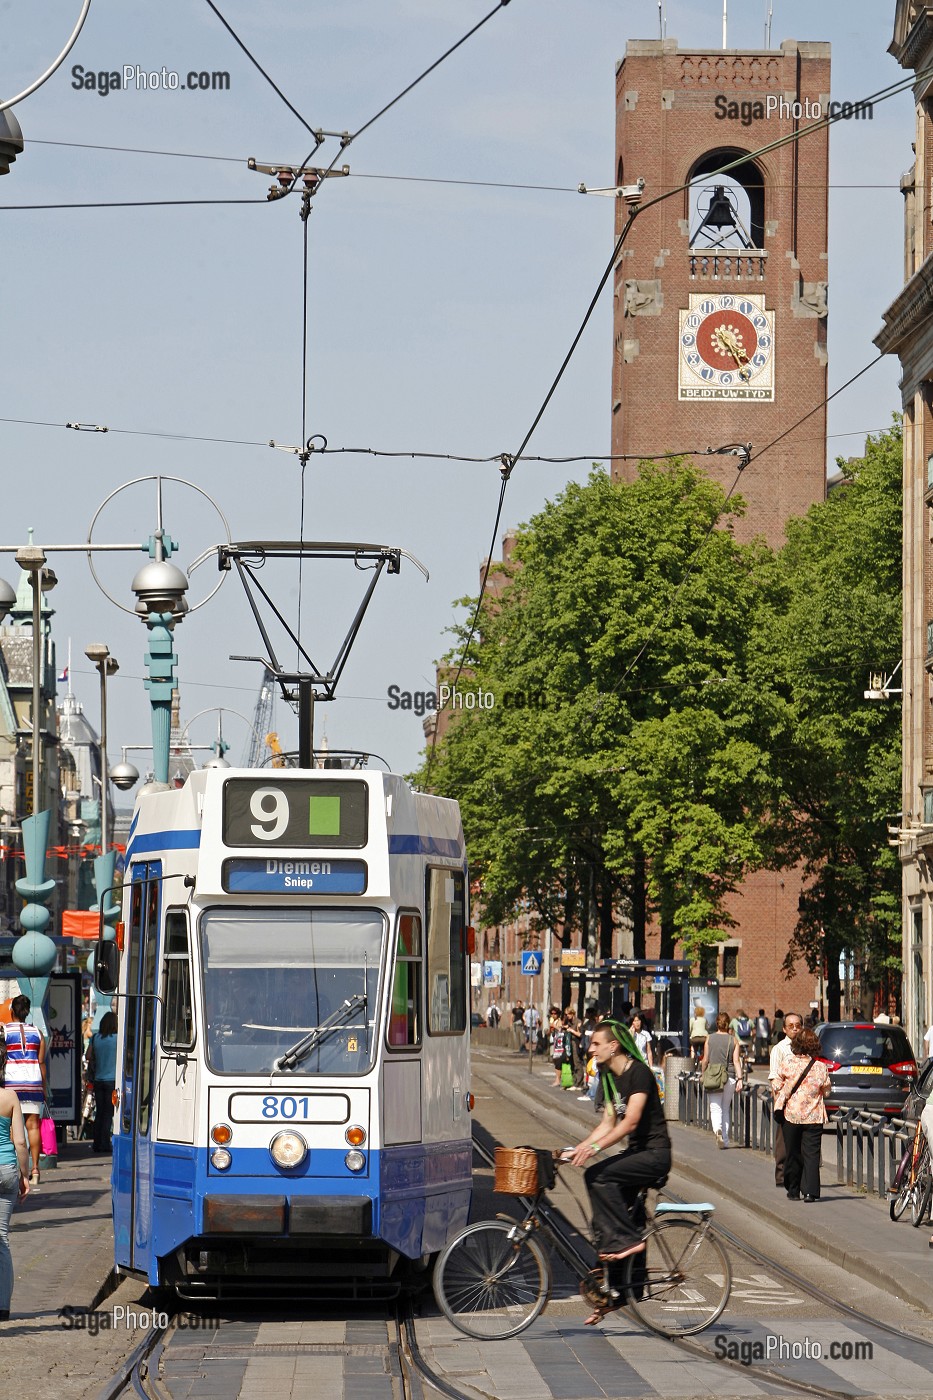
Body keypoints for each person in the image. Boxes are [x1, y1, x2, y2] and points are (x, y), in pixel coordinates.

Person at [567, 1020, 671, 1324]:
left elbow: (631, 1122)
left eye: (596, 1044)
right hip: (637, 1154)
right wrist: (578, 1148)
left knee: (598, 1176)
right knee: (624, 1216)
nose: (590, 1049)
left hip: (655, 1154)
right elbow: (608, 1123)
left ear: (614, 1046)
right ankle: (620, 1293)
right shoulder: (609, 1075)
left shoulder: (638, 1072)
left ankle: (624, 1241)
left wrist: (594, 1151)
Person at [772, 1026, 830, 1202]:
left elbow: (776, 1084)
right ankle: (811, 1192)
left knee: (793, 1152)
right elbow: (826, 1091)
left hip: (792, 1115)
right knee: (811, 1154)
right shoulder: (821, 1067)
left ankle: (793, 1190)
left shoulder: (787, 1064)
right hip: (814, 1116)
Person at [0, 1040, 31, 1322]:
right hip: (7, 1168)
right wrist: (25, 1174)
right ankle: (3, 1306)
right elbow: (20, 1141)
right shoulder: (10, 1098)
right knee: (2, 1238)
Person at [2, 995, 47, 1187]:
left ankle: (19, 1168)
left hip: (12, 1083)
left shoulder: (4, 1030)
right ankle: (35, 1169)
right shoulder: (37, 1033)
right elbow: (42, 1062)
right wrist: (43, 1087)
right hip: (33, 1082)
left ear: (12, 1011)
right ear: (27, 1012)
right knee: (33, 1126)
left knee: (13, 1128)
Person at [768, 1011, 803, 1188]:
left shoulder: (807, 1047)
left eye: (798, 1025)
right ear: (784, 1029)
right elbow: (774, 1078)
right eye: (791, 1026)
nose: (795, 1029)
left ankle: (800, 1176)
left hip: (804, 1104)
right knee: (783, 1141)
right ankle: (781, 1176)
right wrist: (778, 1104)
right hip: (787, 1101)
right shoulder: (779, 1049)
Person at [700, 1011, 743, 1148]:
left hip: (713, 1076)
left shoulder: (709, 1038)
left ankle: (717, 1130)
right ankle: (724, 1139)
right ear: (728, 1023)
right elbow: (736, 1061)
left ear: (717, 1023)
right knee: (725, 1108)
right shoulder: (733, 1040)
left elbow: (705, 1060)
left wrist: (703, 1074)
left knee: (715, 1107)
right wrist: (740, 1078)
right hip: (729, 1077)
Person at [87, 1012, 118, 1154]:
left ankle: (96, 1142)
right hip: (112, 1081)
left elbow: (88, 1055)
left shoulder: (95, 1038)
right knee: (108, 1113)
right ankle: (105, 1143)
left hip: (98, 1080)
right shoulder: (118, 1039)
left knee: (99, 1112)